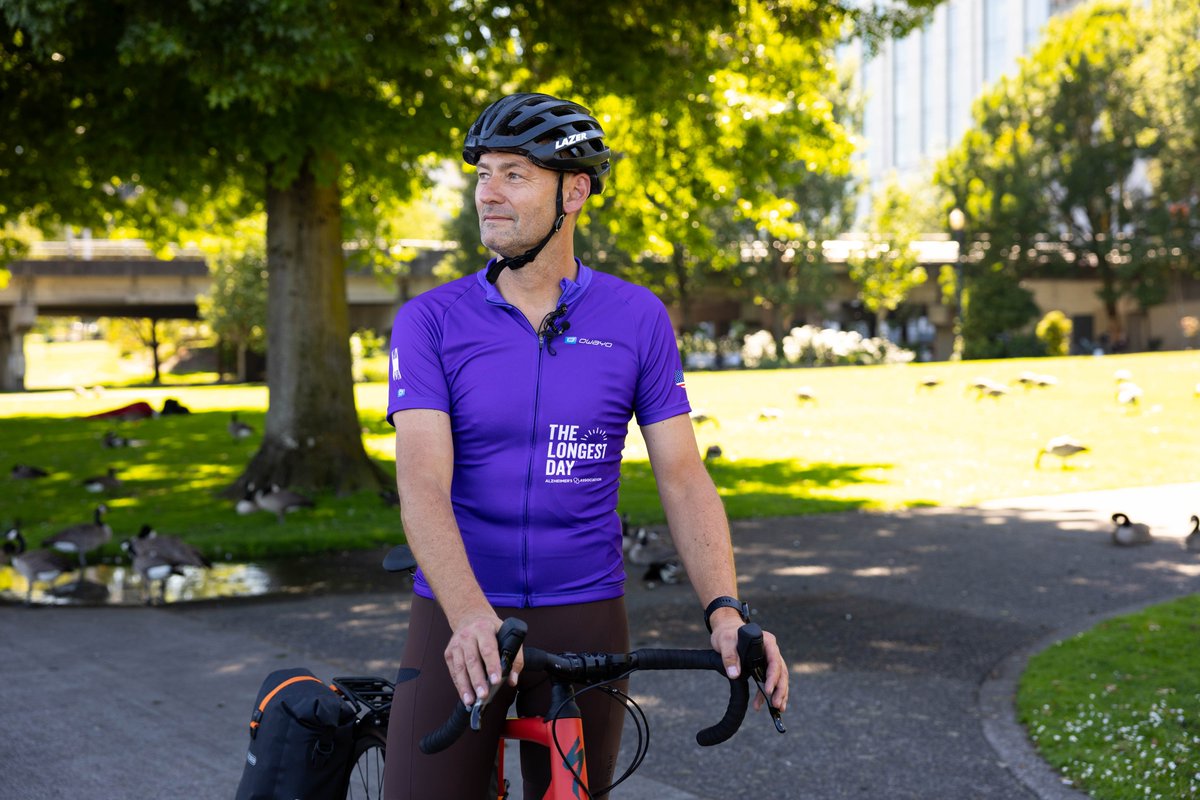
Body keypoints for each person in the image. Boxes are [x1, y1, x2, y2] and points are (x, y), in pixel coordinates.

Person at [383, 92, 787, 799]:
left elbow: (684, 477)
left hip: (586, 616)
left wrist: (727, 609)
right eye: (484, 174)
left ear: (574, 191)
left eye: (515, 175)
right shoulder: (431, 322)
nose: (489, 194)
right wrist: (469, 612)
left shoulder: (636, 319)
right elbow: (420, 483)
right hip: (460, 611)